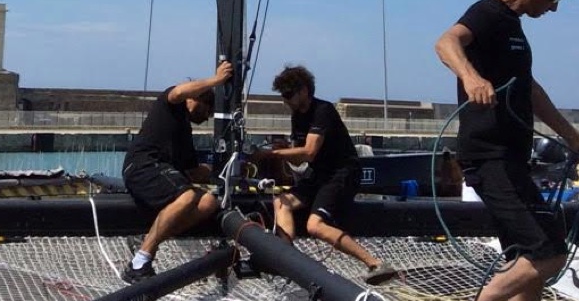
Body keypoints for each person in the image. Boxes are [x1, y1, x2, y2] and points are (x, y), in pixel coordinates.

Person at [434, 0, 579, 301]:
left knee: (527, 263)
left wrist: (573, 138)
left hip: (511, 155)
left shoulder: (513, 23)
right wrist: (471, 77)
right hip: (489, 156)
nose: (554, 7)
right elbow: (446, 42)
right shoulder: (488, 12)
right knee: (549, 253)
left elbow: (530, 90)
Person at [257, 65, 397, 286]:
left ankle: (375, 263)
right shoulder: (297, 117)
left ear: (304, 90)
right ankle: (286, 259)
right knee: (281, 202)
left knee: (315, 226)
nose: (285, 101)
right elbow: (300, 157)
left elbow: (310, 151)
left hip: (342, 173)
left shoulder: (323, 111)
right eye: (283, 96)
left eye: (288, 95)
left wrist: (273, 153)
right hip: (319, 174)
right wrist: (278, 153)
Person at [121, 61, 233, 282]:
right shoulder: (171, 104)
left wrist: (224, 169)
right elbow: (180, 91)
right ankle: (140, 262)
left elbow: (193, 172)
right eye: (208, 110)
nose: (208, 117)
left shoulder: (185, 134)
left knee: (208, 202)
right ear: (197, 99)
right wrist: (218, 79)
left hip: (161, 173)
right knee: (187, 196)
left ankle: (147, 240)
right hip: (141, 166)